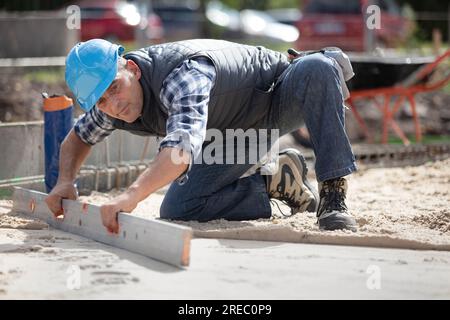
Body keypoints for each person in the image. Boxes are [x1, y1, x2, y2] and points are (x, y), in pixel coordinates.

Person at [45, 38, 358, 234]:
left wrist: (129, 197)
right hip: (234, 133)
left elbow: (180, 150)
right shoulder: (109, 103)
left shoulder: (183, 75)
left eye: (115, 88)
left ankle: (333, 194)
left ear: (132, 69)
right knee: (182, 208)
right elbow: (77, 138)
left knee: (317, 66)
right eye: (101, 100)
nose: (113, 104)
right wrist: (65, 181)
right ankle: (277, 180)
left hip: (276, 96)